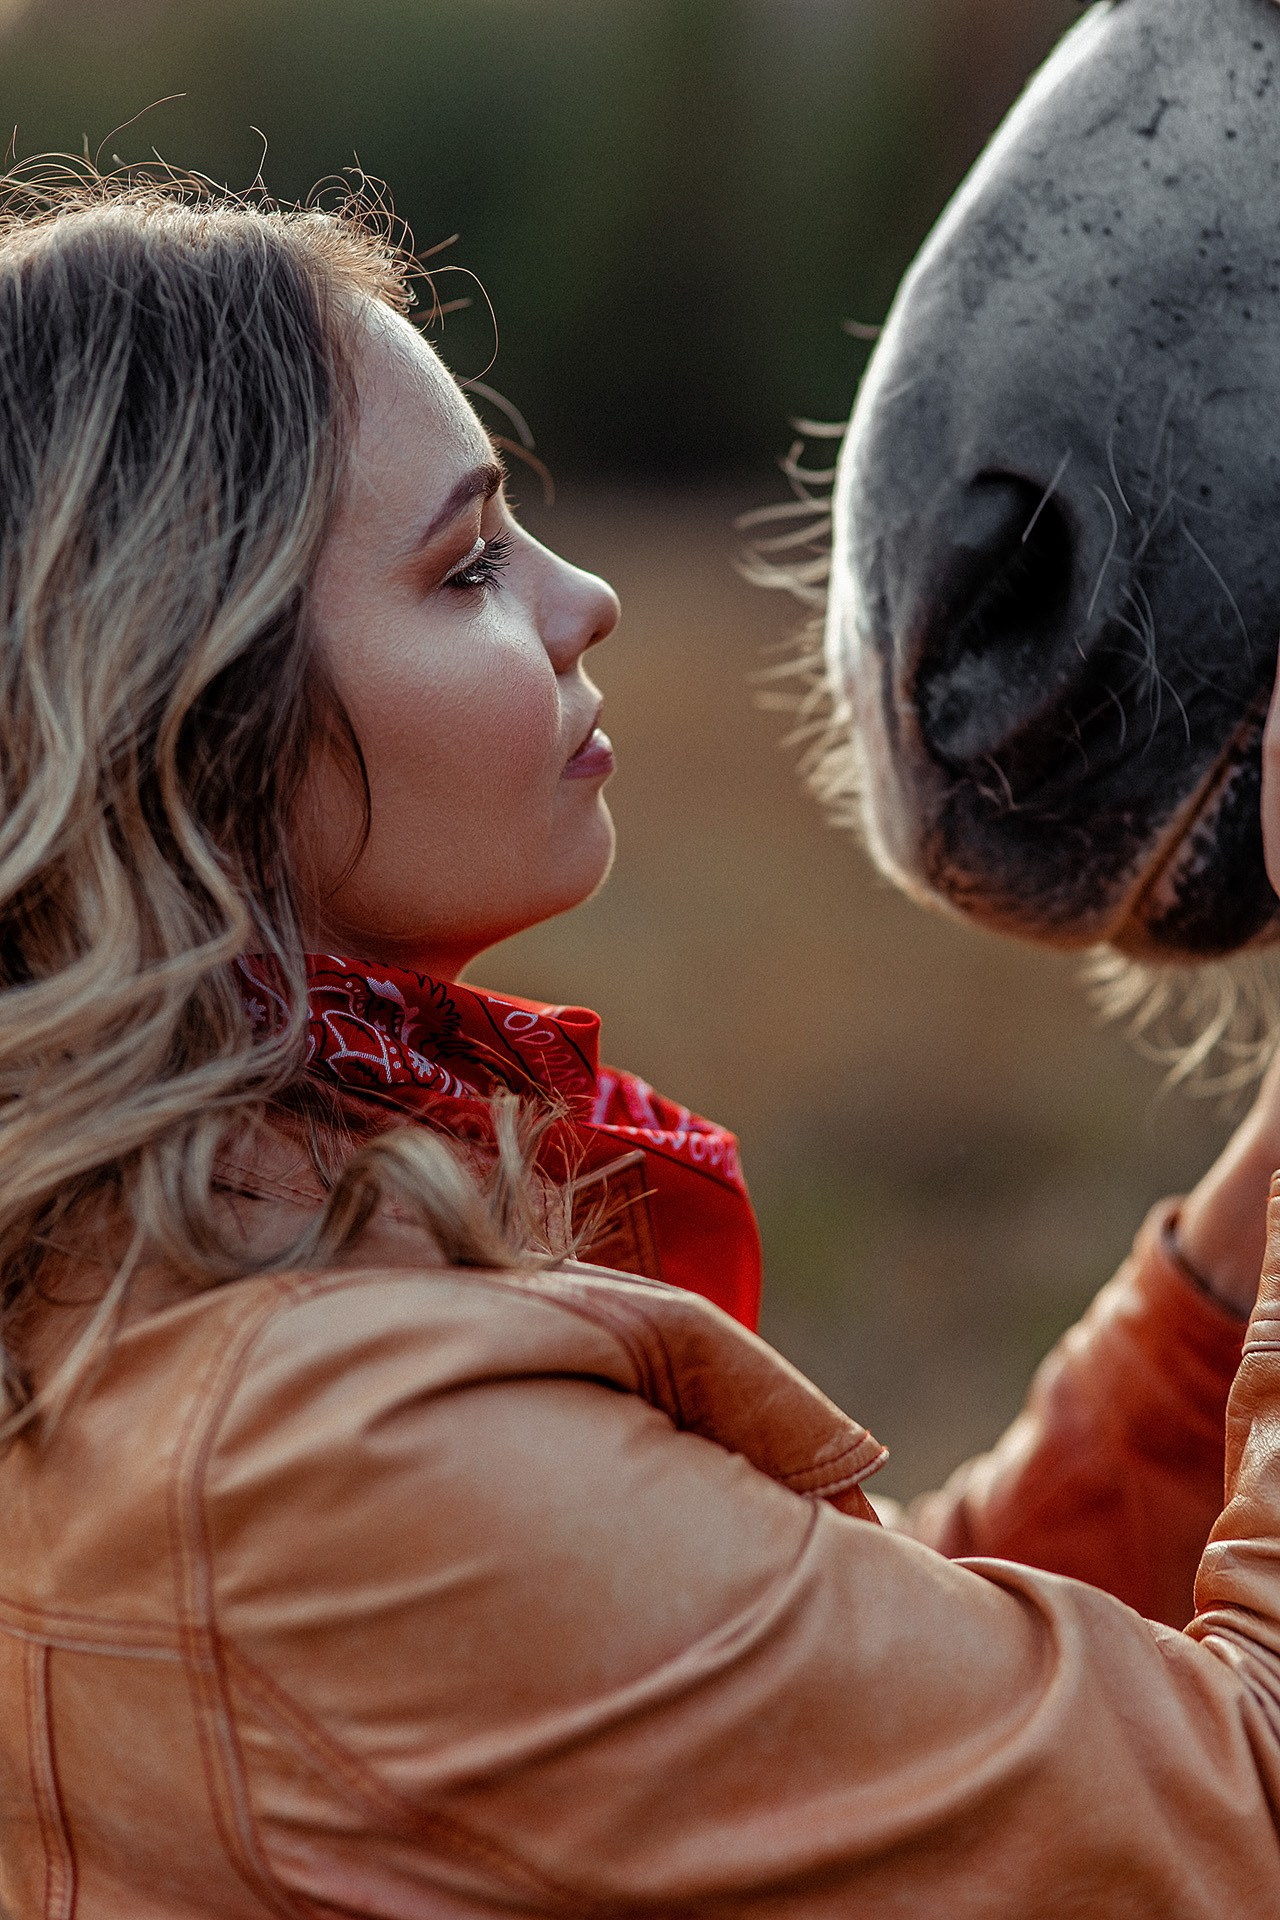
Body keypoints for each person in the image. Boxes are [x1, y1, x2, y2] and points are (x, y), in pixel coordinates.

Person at [0, 171, 1276, 1919]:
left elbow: (846, 1717)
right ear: (197, 727)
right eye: (464, 567)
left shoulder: (139, 1300)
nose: (586, 596)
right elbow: (1230, 1825)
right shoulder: (337, 1458)